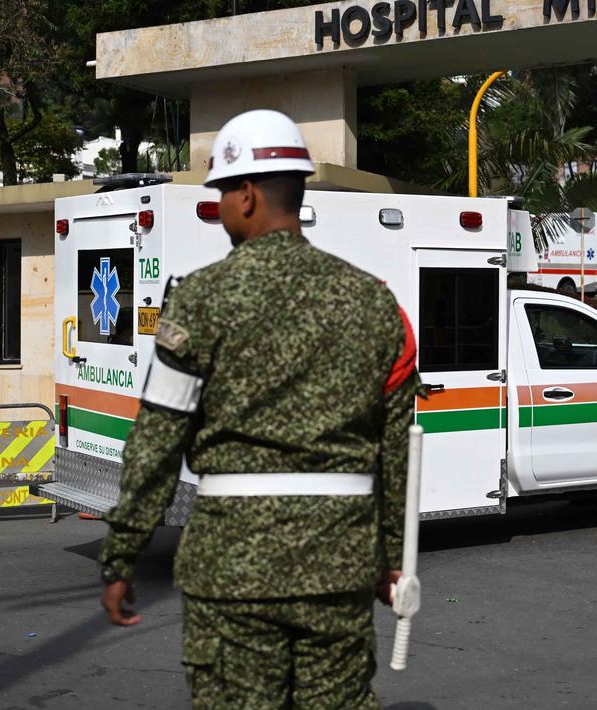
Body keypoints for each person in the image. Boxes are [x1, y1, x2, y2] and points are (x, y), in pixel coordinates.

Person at [98, 109, 420, 706]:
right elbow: (396, 451)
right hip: (338, 564)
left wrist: (122, 555)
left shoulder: (199, 300)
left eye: (221, 191)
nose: (219, 206)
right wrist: (390, 563)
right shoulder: (375, 305)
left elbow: (157, 440)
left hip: (231, 571)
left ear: (247, 195)